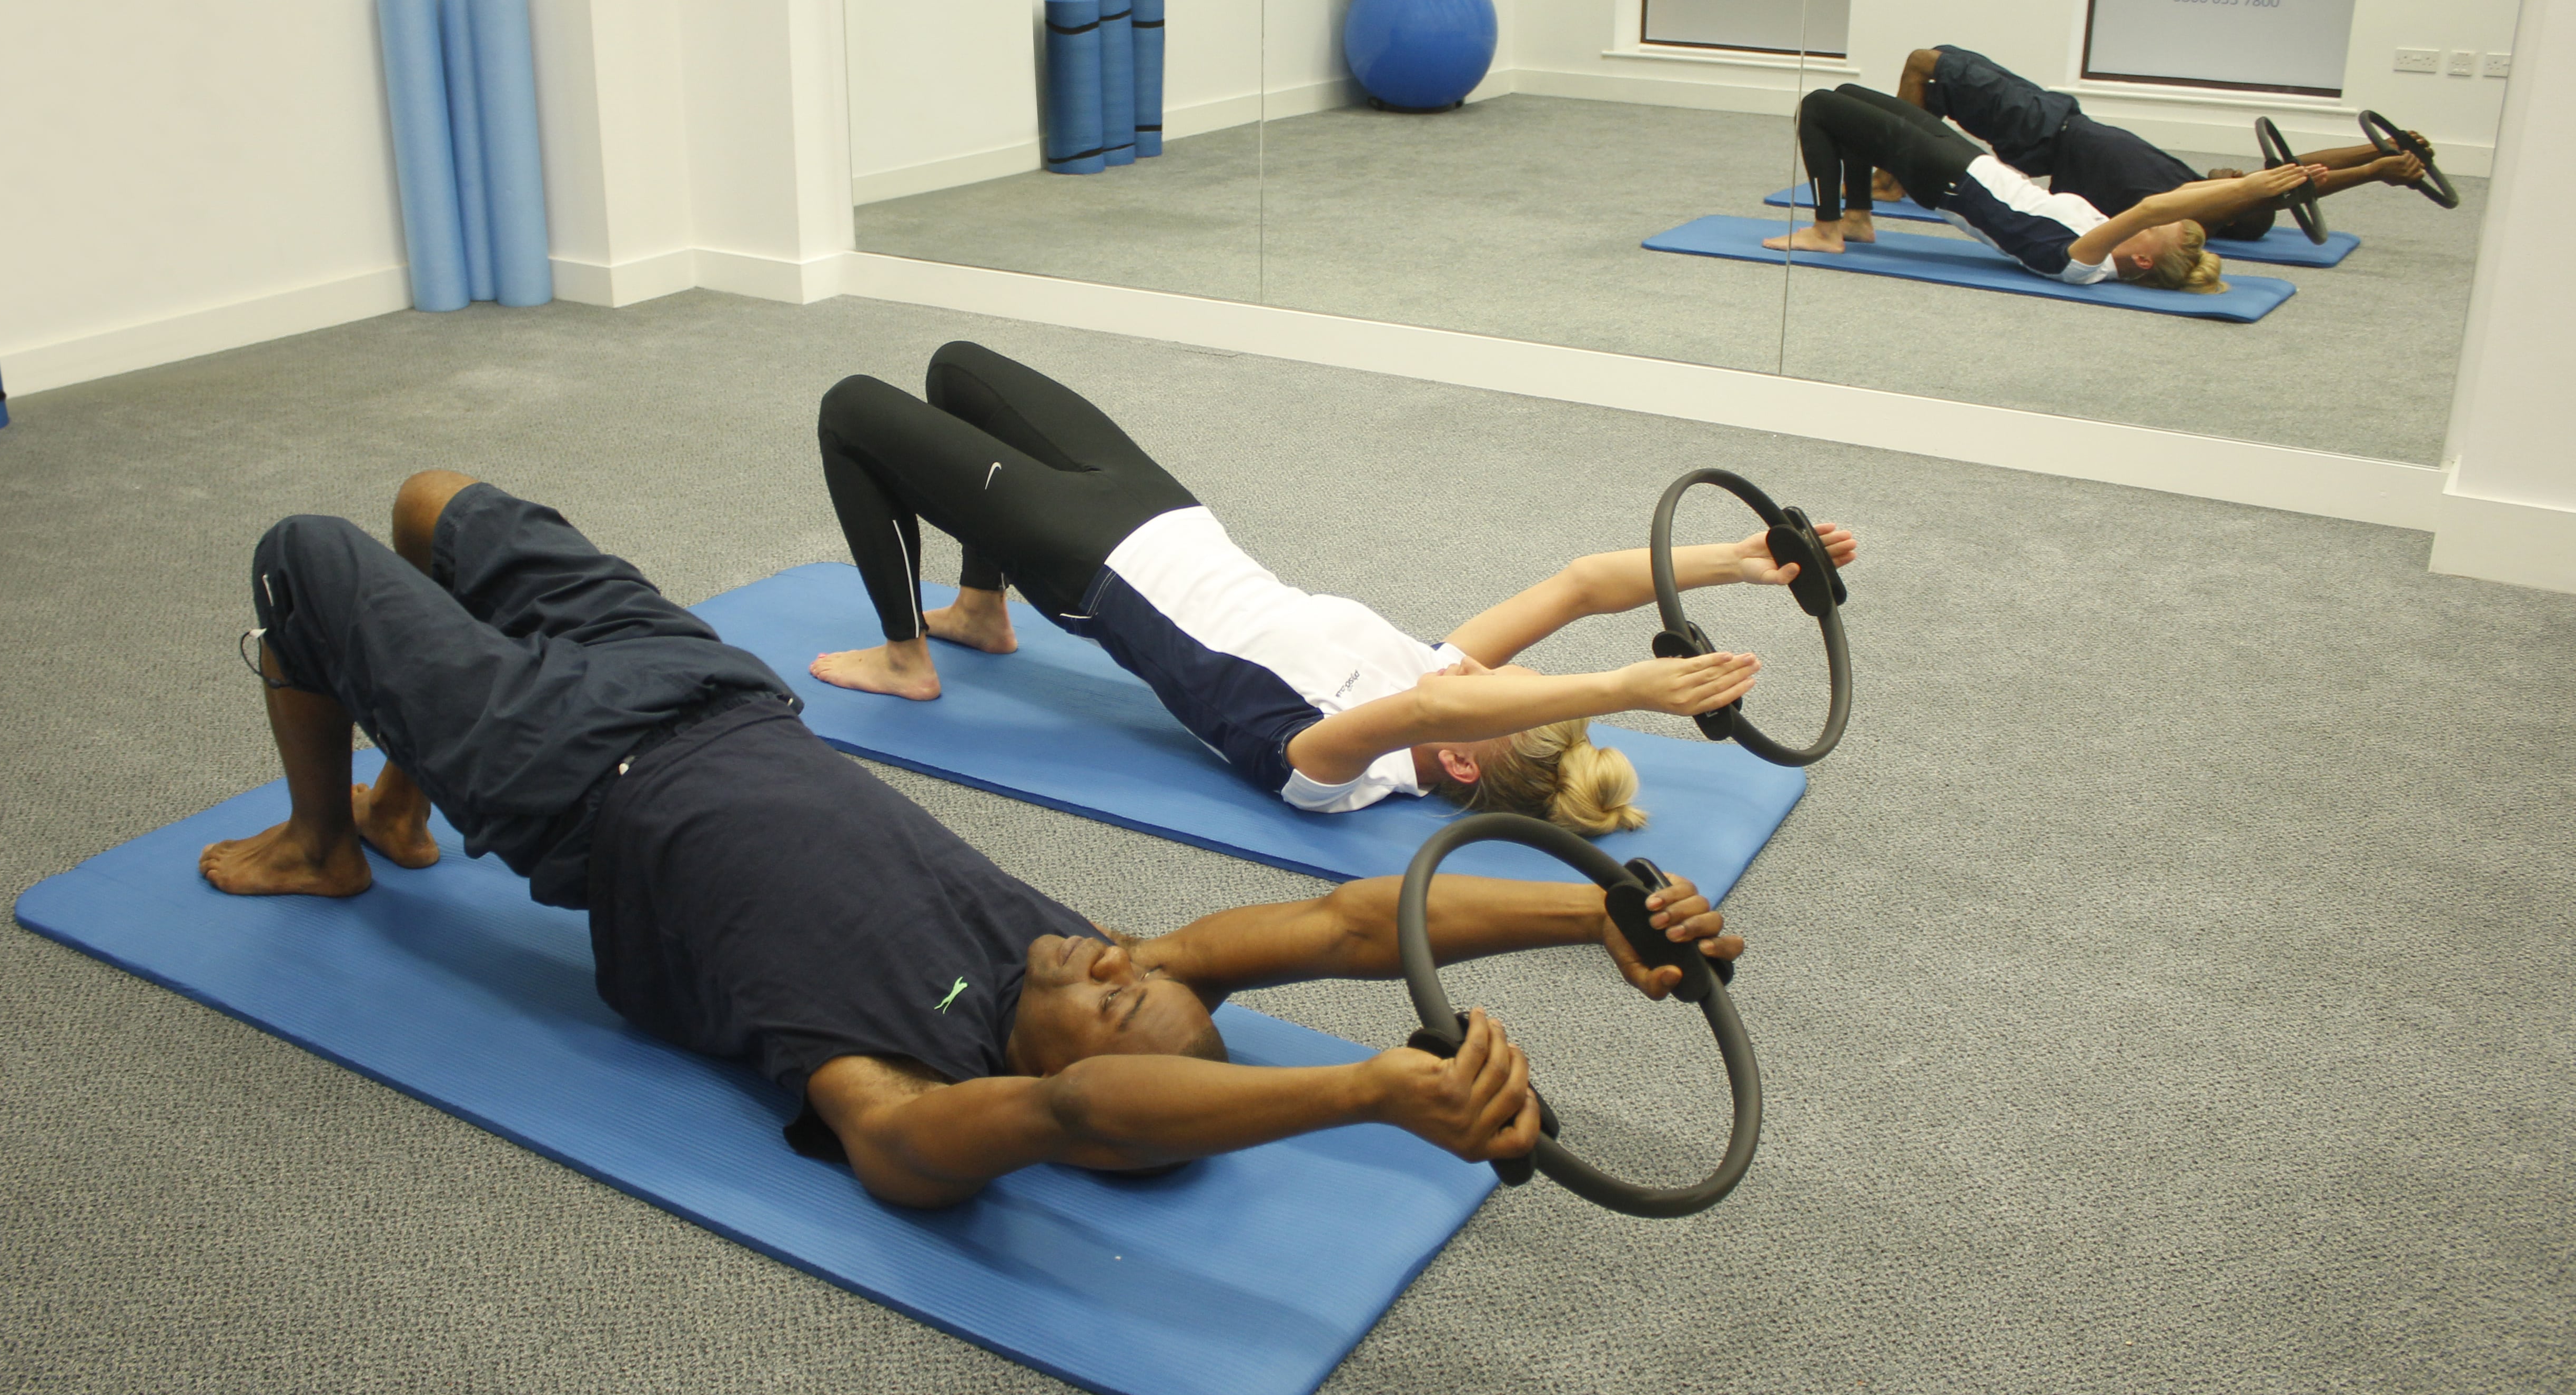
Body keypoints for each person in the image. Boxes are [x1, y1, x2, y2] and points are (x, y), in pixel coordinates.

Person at [203, 471, 1743, 1210]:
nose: (1109, 957)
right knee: (432, 503)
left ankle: (325, 841)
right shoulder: (1063, 959)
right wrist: (1590, 915)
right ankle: (401, 793)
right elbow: (1353, 930)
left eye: (1113, 998)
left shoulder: (896, 1084)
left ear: (1076, 1070)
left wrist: (1359, 1093)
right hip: (713, 692)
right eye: (1134, 971)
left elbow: (1066, 1121)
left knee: (306, 558)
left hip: (570, 779)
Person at [809, 342, 1858, 834]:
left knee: (857, 402)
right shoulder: (1440, 682)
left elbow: (1446, 704)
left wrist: (1626, 691)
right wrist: (1737, 562)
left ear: (1454, 759)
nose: (1496, 672)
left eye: (1506, 695)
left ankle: (908, 658)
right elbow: (1581, 584)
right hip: (1168, 510)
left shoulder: (1333, 772)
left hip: (1092, 563)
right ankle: (981, 612)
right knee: (955, 371)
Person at [1763, 83, 2314, 294]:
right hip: (1973, 165)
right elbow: (2157, 210)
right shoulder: (2106, 245)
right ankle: (1856, 218)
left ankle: (1827, 229)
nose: (2150, 221)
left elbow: (2156, 203)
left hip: (1951, 181)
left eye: (2156, 231)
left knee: (1818, 106)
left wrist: (2253, 190)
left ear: (2144, 261)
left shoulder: (2082, 262)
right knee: (1848, 96)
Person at [1887, 44, 2432, 239]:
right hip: (2057, 121)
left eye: (2244, 187)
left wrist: (2372, 176)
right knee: (1934, 76)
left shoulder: (2194, 206)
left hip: (2045, 131)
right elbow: (2292, 165)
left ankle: (1888, 179)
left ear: (2237, 206)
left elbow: (2282, 188)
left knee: (1925, 63)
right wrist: (2380, 149)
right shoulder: (2192, 187)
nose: (2239, 174)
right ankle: (1891, 173)